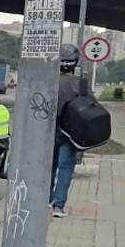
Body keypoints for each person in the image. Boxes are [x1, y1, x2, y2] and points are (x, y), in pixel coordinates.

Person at [50, 45, 83, 218]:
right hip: (70, 135)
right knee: (65, 169)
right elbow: (89, 109)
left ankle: (46, 199)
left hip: (48, 134)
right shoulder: (79, 84)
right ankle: (58, 205)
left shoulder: (48, 80)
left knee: (50, 167)